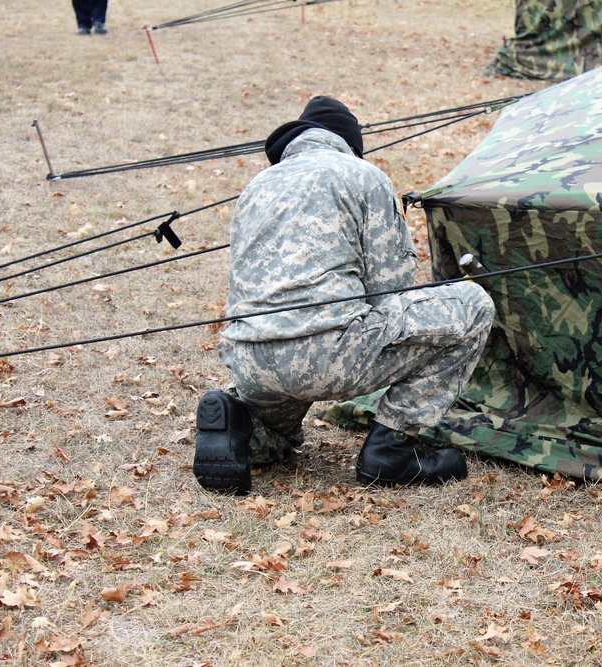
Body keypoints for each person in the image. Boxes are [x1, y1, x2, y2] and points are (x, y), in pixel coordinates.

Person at [193, 96, 495, 495]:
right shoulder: (363, 175)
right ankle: (393, 447)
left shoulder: (257, 186)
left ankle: (242, 429)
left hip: (251, 360)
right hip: (328, 355)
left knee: (274, 436)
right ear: (351, 143)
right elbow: (391, 290)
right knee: (474, 306)